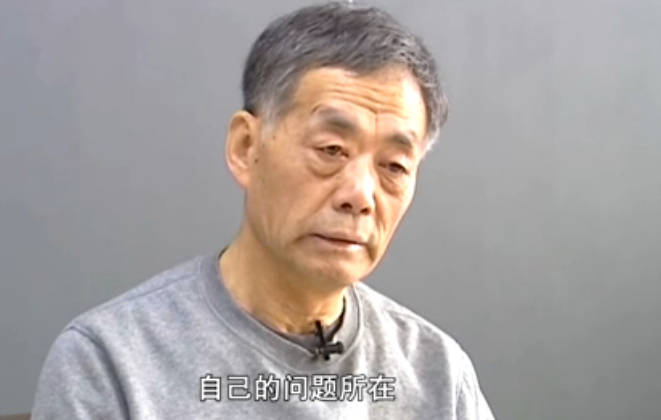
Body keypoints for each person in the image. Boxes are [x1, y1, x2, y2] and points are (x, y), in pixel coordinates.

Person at [32, 2, 495, 419]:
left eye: (393, 165)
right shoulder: (109, 363)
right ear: (245, 147)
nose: (359, 195)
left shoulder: (437, 373)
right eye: (331, 149)